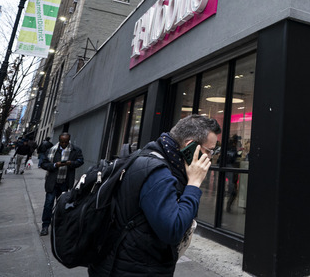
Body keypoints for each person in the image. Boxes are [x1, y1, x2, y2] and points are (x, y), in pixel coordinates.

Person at [88, 114, 219, 276]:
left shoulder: (154, 157)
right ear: (191, 146)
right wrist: (194, 184)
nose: (211, 157)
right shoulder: (157, 173)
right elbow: (172, 229)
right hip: (132, 269)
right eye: (210, 151)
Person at [40, 133, 84, 236]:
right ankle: (45, 225)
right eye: (62, 142)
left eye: (66, 142)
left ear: (69, 141)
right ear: (59, 141)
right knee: (48, 204)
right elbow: (43, 164)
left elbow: (80, 161)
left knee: (63, 205)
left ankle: (59, 225)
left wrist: (70, 163)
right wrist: (55, 165)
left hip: (65, 182)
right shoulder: (51, 150)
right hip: (52, 181)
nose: (64, 144)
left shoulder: (75, 150)